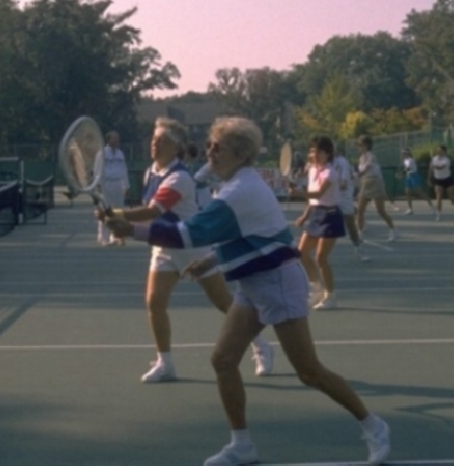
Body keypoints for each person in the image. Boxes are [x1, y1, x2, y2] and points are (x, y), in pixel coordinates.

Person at [105, 117, 390, 465]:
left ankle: (373, 426)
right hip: (253, 283)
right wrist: (212, 259)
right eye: (209, 146)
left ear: (240, 155)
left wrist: (130, 229)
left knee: (309, 371)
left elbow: (189, 234)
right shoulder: (234, 184)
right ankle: (242, 445)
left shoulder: (239, 191)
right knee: (223, 360)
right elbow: (256, 235)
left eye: (218, 148)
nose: (210, 152)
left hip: (278, 283)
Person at [96, 117, 274, 383]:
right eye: (154, 139)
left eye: (162, 140)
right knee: (154, 303)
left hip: (193, 247)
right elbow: (151, 216)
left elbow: (153, 211)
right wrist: (114, 216)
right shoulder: (150, 173)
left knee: (223, 303)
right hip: (163, 247)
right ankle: (165, 362)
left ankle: (260, 344)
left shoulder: (179, 177)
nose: (155, 144)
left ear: (176, 147)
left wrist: (116, 214)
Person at [290, 136, 346, 310]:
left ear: (328, 154)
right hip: (316, 215)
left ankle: (330, 296)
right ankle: (316, 289)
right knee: (301, 253)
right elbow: (312, 199)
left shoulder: (331, 172)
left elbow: (318, 194)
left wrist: (298, 193)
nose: (314, 154)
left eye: (319, 151)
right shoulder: (312, 169)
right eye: (313, 150)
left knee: (321, 258)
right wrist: (305, 216)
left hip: (331, 216)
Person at [355, 135, 398, 242]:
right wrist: (358, 183)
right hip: (365, 182)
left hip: (375, 182)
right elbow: (361, 173)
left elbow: (367, 168)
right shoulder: (361, 158)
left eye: (360, 145)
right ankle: (360, 233)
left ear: (366, 145)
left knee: (381, 211)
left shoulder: (372, 156)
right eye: (358, 145)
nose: (359, 147)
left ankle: (392, 229)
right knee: (360, 210)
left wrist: (357, 174)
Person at [333, 149, 370, 262]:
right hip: (330, 198)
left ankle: (358, 249)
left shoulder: (342, 162)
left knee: (349, 223)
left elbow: (343, 184)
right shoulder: (321, 164)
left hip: (343, 197)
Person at [95, 131, 130, 245]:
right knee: (105, 210)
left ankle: (116, 236)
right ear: (109, 140)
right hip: (106, 184)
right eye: (114, 138)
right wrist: (98, 185)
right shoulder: (102, 153)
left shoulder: (120, 154)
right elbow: (97, 169)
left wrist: (126, 185)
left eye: (117, 138)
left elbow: (124, 170)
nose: (117, 141)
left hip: (118, 184)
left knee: (118, 211)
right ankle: (103, 237)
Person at [399, 148, 435, 216]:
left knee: (420, 192)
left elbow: (408, 168)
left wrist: (401, 175)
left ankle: (432, 207)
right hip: (408, 177)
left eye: (404, 153)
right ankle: (410, 209)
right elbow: (406, 169)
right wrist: (403, 175)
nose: (402, 155)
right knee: (407, 193)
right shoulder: (405, 160)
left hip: (414, 176)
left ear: (407, 153)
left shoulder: (411, 160)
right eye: (402, 153)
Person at [428, 145, 454, 221]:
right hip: (438, 180)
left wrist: (434, 166)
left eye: (440, 150)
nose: (439, 152)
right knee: (438, 196)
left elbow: (441, 167)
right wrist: (429, 178)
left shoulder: (447, 160)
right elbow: (430, 170)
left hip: (447, 179)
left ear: (444, 152)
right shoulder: (434, 159)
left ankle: (452, 201)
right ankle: (439, 214)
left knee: (451, 195)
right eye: (438, 150)